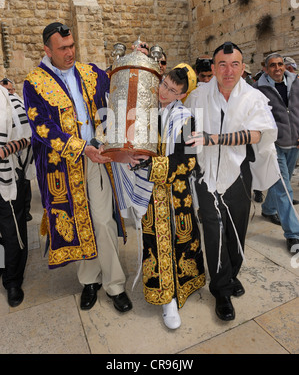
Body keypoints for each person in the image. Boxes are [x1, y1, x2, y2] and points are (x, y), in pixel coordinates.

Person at [23, 22, 132, 313]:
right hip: (63, 166)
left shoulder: (91, 71)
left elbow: (118, 93)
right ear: (47, 49)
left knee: (102, 221)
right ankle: (89, 281)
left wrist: (131, 65)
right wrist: (81, 147)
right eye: (63, 48)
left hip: (97, 157)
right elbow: (41, 128)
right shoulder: (34, 82)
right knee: (76, 222)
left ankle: (115, 284)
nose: (70, 53)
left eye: (72, 46)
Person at [185, 41, 280, 322]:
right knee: (214, 230)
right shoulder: (198, 96)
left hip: (238, 172)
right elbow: (185, 127)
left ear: (242, 67)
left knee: (237, 229)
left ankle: (231, 272)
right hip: (205, 173)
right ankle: (221, 289)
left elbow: (258, 134)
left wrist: (215, 139)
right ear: (213, 68)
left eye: (235, 64)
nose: (229, 71)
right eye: (222, 65)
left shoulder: (252, 97)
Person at [118, 64, 205, 329]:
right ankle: (164, 296)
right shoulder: (144, 110)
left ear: (181, 95)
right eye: (164, 84)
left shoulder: (186, 119)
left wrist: (150, 166)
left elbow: (187, 162)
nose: (164, 92)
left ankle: (175, 298)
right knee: (155, 245)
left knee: (180, 242)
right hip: (149, 192)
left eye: (173, 90)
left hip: (175, 195)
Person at [253, 53, 299, 252]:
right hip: (274, 146)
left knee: (283, 184)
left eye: (280, 64)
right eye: (273, 65)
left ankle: (269, 209)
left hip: (294, 143)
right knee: (284, 189)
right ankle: (294, 235)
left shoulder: (296, 83)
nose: (277, 68)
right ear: (266, 68)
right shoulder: (257, 89)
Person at [0, 84, 32, 307]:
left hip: (8, 180)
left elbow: (30, 137)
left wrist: (6, 150)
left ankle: (13, 281)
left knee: (12, 232)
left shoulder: (11, 102)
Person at [1, 77, 34, 221]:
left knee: (23, 182)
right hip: (12, 159)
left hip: (19, 157)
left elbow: (28, 135)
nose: (10, 93)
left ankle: (25, 211)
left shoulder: (16, 101)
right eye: (7, 90)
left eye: (10, 90)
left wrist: (6, 150)